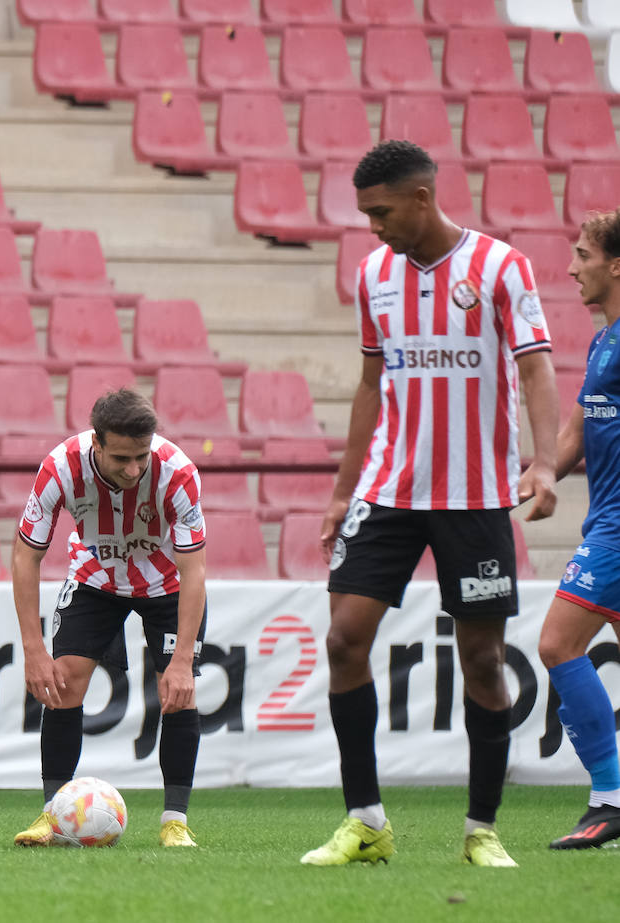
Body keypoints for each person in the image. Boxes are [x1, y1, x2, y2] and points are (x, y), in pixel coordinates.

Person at [303, 140, 559, 868]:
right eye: (365, 216)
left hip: (475, 496)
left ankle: (482, 827)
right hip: (388, 491)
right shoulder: (373, 273)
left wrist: (542, 460)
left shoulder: (501, 267)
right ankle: (366, 821)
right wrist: (343, 488)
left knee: (481, 657)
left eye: (381, 212)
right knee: (344, 639)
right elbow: (367, 385)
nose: (373, 227)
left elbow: (535, 367)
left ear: (420, 198)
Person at [10, 388, 208, 848]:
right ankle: (51, 816)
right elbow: (25, 557)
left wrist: (181, 662)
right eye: (122, 458)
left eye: (141, 456)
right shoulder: (60, 467)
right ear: (95, 443)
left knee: (179, 694)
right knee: (63, 684)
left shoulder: (178, 473)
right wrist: (34, 649)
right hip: (94, 579)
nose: (134, 468)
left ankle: (175, 822)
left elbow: (194, 569)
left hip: (168, 586)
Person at [537, 208, 620, 850]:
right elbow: (574, 431)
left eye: (583, 256)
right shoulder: (603, 341)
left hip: (618, 529)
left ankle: (610, 798)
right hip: (604, 516)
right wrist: (536, 478)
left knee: (559, 644)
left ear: (616, 265)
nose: (572, 268)